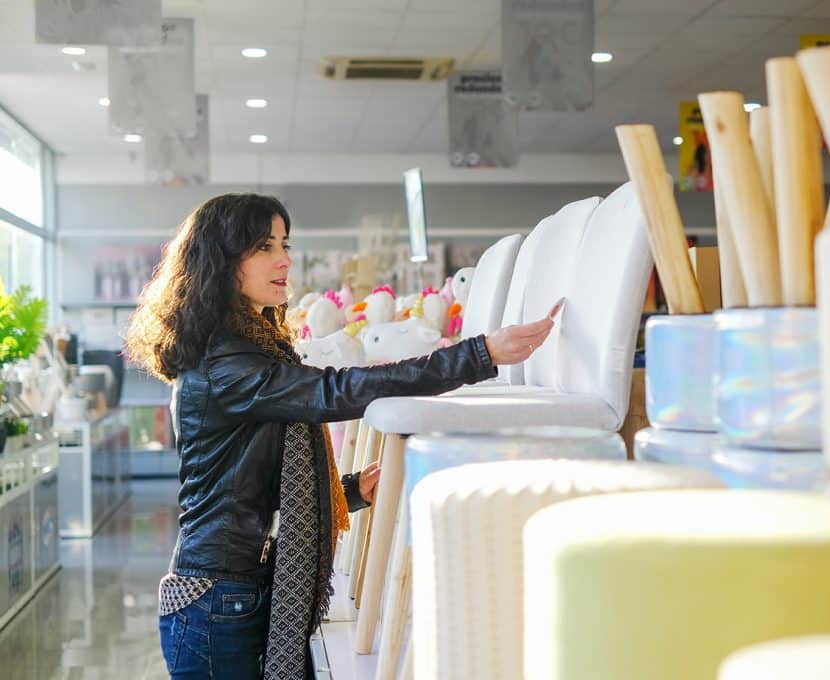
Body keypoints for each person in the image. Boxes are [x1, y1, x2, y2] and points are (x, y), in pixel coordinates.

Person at [124, 193, 554, 679]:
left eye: (284, 244)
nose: (284, 259)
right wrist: (478, 356)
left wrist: (348, 492)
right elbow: (335, 390)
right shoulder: (227, 364)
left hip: (225, 591)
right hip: (215, 603)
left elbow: (246, 487)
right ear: (223, 262)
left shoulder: (240, 351)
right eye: (265, 247)